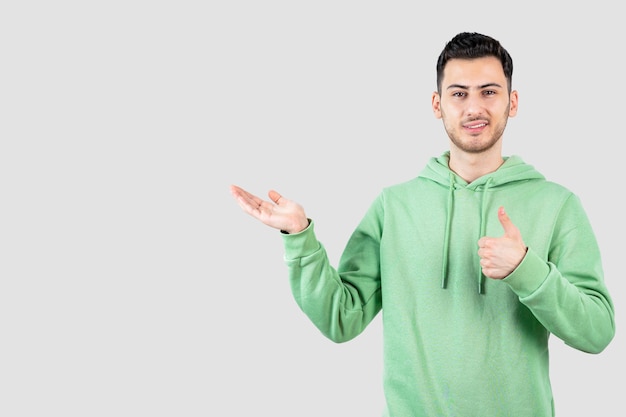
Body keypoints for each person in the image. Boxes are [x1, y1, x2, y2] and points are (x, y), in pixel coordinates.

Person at [229, 32, 615, 416]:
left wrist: (527, 270)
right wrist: (300, 237)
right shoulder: (394, 206)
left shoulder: (557, 204)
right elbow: (340, 319)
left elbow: (597, 332)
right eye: (459, 93)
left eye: (489, 92)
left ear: (512, 102)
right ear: (437, 104)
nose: (474, 108)